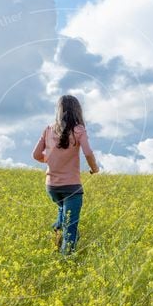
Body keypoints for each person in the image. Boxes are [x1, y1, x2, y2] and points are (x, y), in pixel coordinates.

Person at [32, 95, 100, 254]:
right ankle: (65, 258)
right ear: (77, 111)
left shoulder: (48, 129)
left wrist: (51, 160)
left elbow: (36, 155)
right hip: (71, 188)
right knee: (71, 227)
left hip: (52, 187)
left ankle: (55, 233)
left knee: (63, 210)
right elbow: (88, 153)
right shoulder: (79, 130)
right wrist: (94, 169)